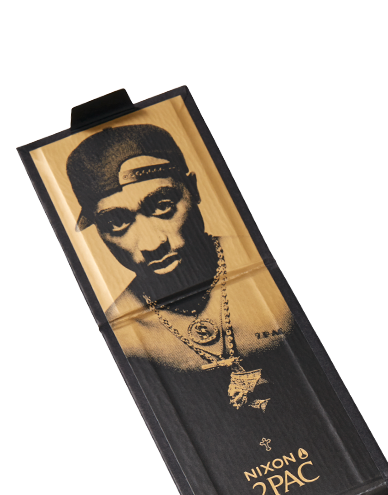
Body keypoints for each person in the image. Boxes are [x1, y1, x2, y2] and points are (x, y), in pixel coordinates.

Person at [66, 123, 292, 407]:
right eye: (117, 222)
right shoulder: (124, 338)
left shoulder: (273, 262)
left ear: (193, 189)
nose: (152, 243)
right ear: (101, 233)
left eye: (162, 205)